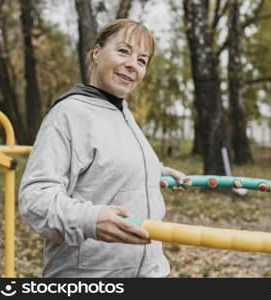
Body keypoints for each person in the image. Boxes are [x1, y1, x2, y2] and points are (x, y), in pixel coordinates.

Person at [18, 19, 185, 278]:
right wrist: (91, 220)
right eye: (123, 51)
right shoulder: (70, 114)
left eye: (142, 60)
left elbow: (109, 164)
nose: (133, 64)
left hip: (149, 272)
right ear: (96, 52)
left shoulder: (122, 112)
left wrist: (156, 172)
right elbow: (35, 198)